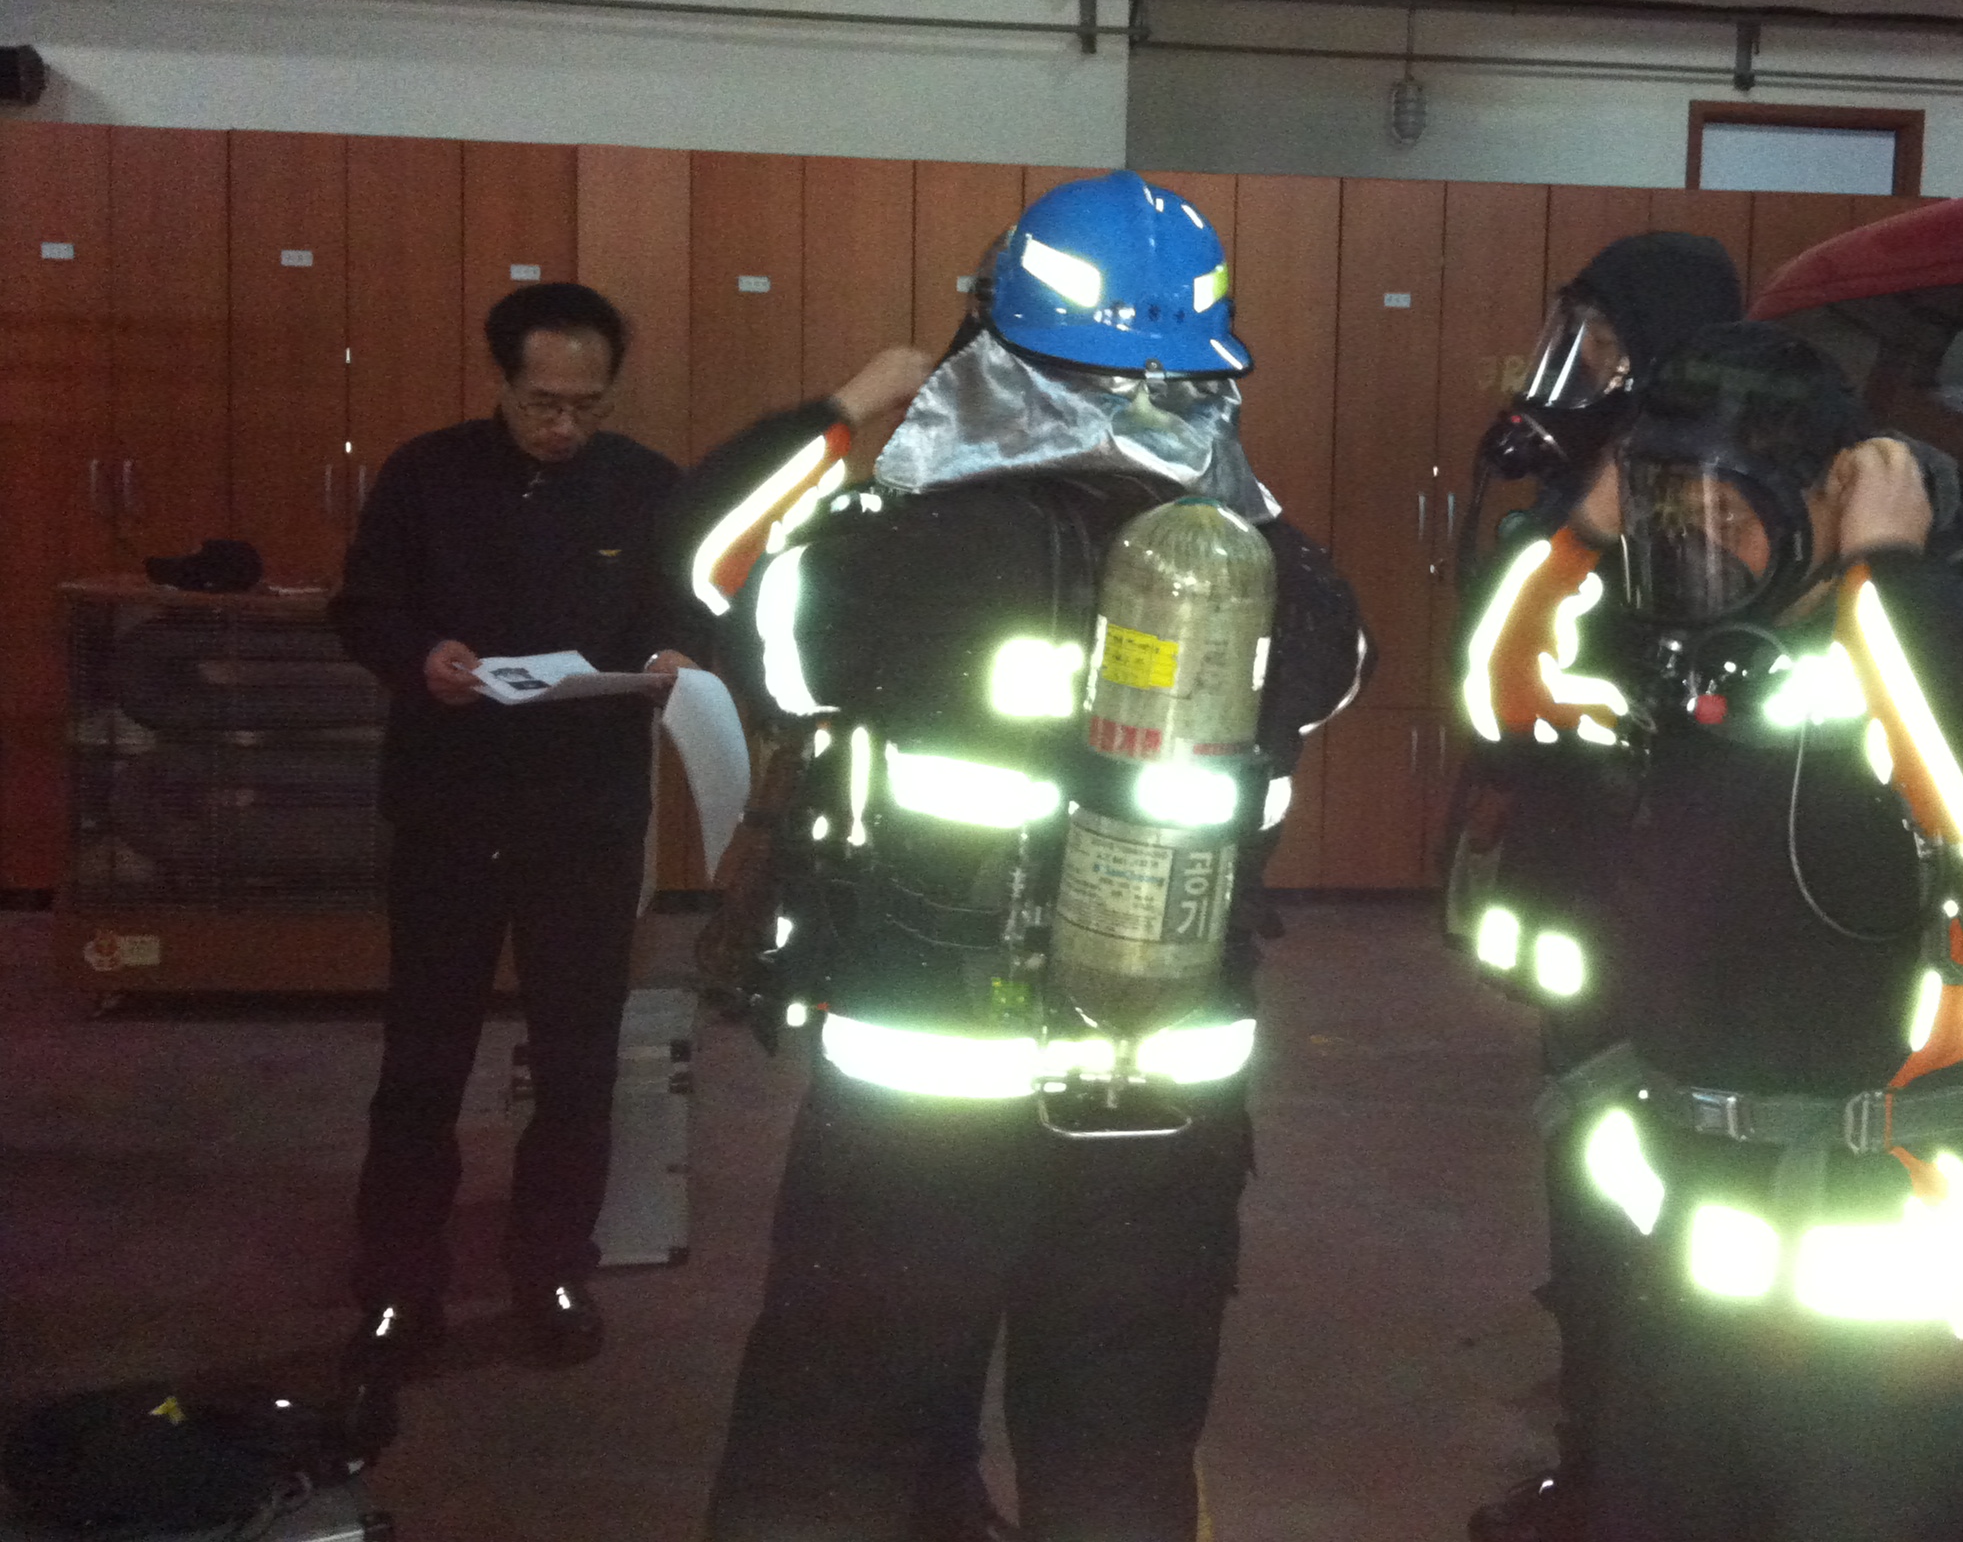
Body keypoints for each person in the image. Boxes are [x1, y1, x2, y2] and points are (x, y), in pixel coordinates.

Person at [682, 171, 1367, 1542]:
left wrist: (858, 418)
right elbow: (1332, 682)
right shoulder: (1280, 577)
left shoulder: (890, 556)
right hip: (1165, 1092)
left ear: (997, 348)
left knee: (835, 1428)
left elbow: (722, 590)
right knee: (1120, 1444)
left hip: (923, 1088)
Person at [1513, 321, 1963, 1541]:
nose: (1697, 543)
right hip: (1694, 1271)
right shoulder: (1704, 664)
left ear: (1825, 497)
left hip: (1893, 1306)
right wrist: (1583, 534)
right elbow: (1507, 700)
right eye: (1673, 511)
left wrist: (1885, 567)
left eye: (1727, 511)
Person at [329, 282, 700, 1380]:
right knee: (423, 1056)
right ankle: (399, 1286)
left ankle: (552, 1271)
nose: (564, 425)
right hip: (450, 802)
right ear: (502, 382)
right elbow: (364, 604)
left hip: (585, 812)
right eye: (544, 402)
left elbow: (685, 607)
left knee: (579, 1057)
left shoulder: (646, 486)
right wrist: (422, 657)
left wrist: (675, 654)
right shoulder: (428, 474)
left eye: (587, 405)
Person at [1452, 234, 1744, 1542]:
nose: (1594, 368)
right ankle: (1609, 1454)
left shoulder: (1678, 489)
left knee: (1633, 1190)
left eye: (1613, 342)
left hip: (1649, 901)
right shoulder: (1610, 472)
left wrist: (1565, 529)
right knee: (1601, 1180)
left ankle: (1623, 1477)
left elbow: (1517, 686)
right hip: (1604, 887)